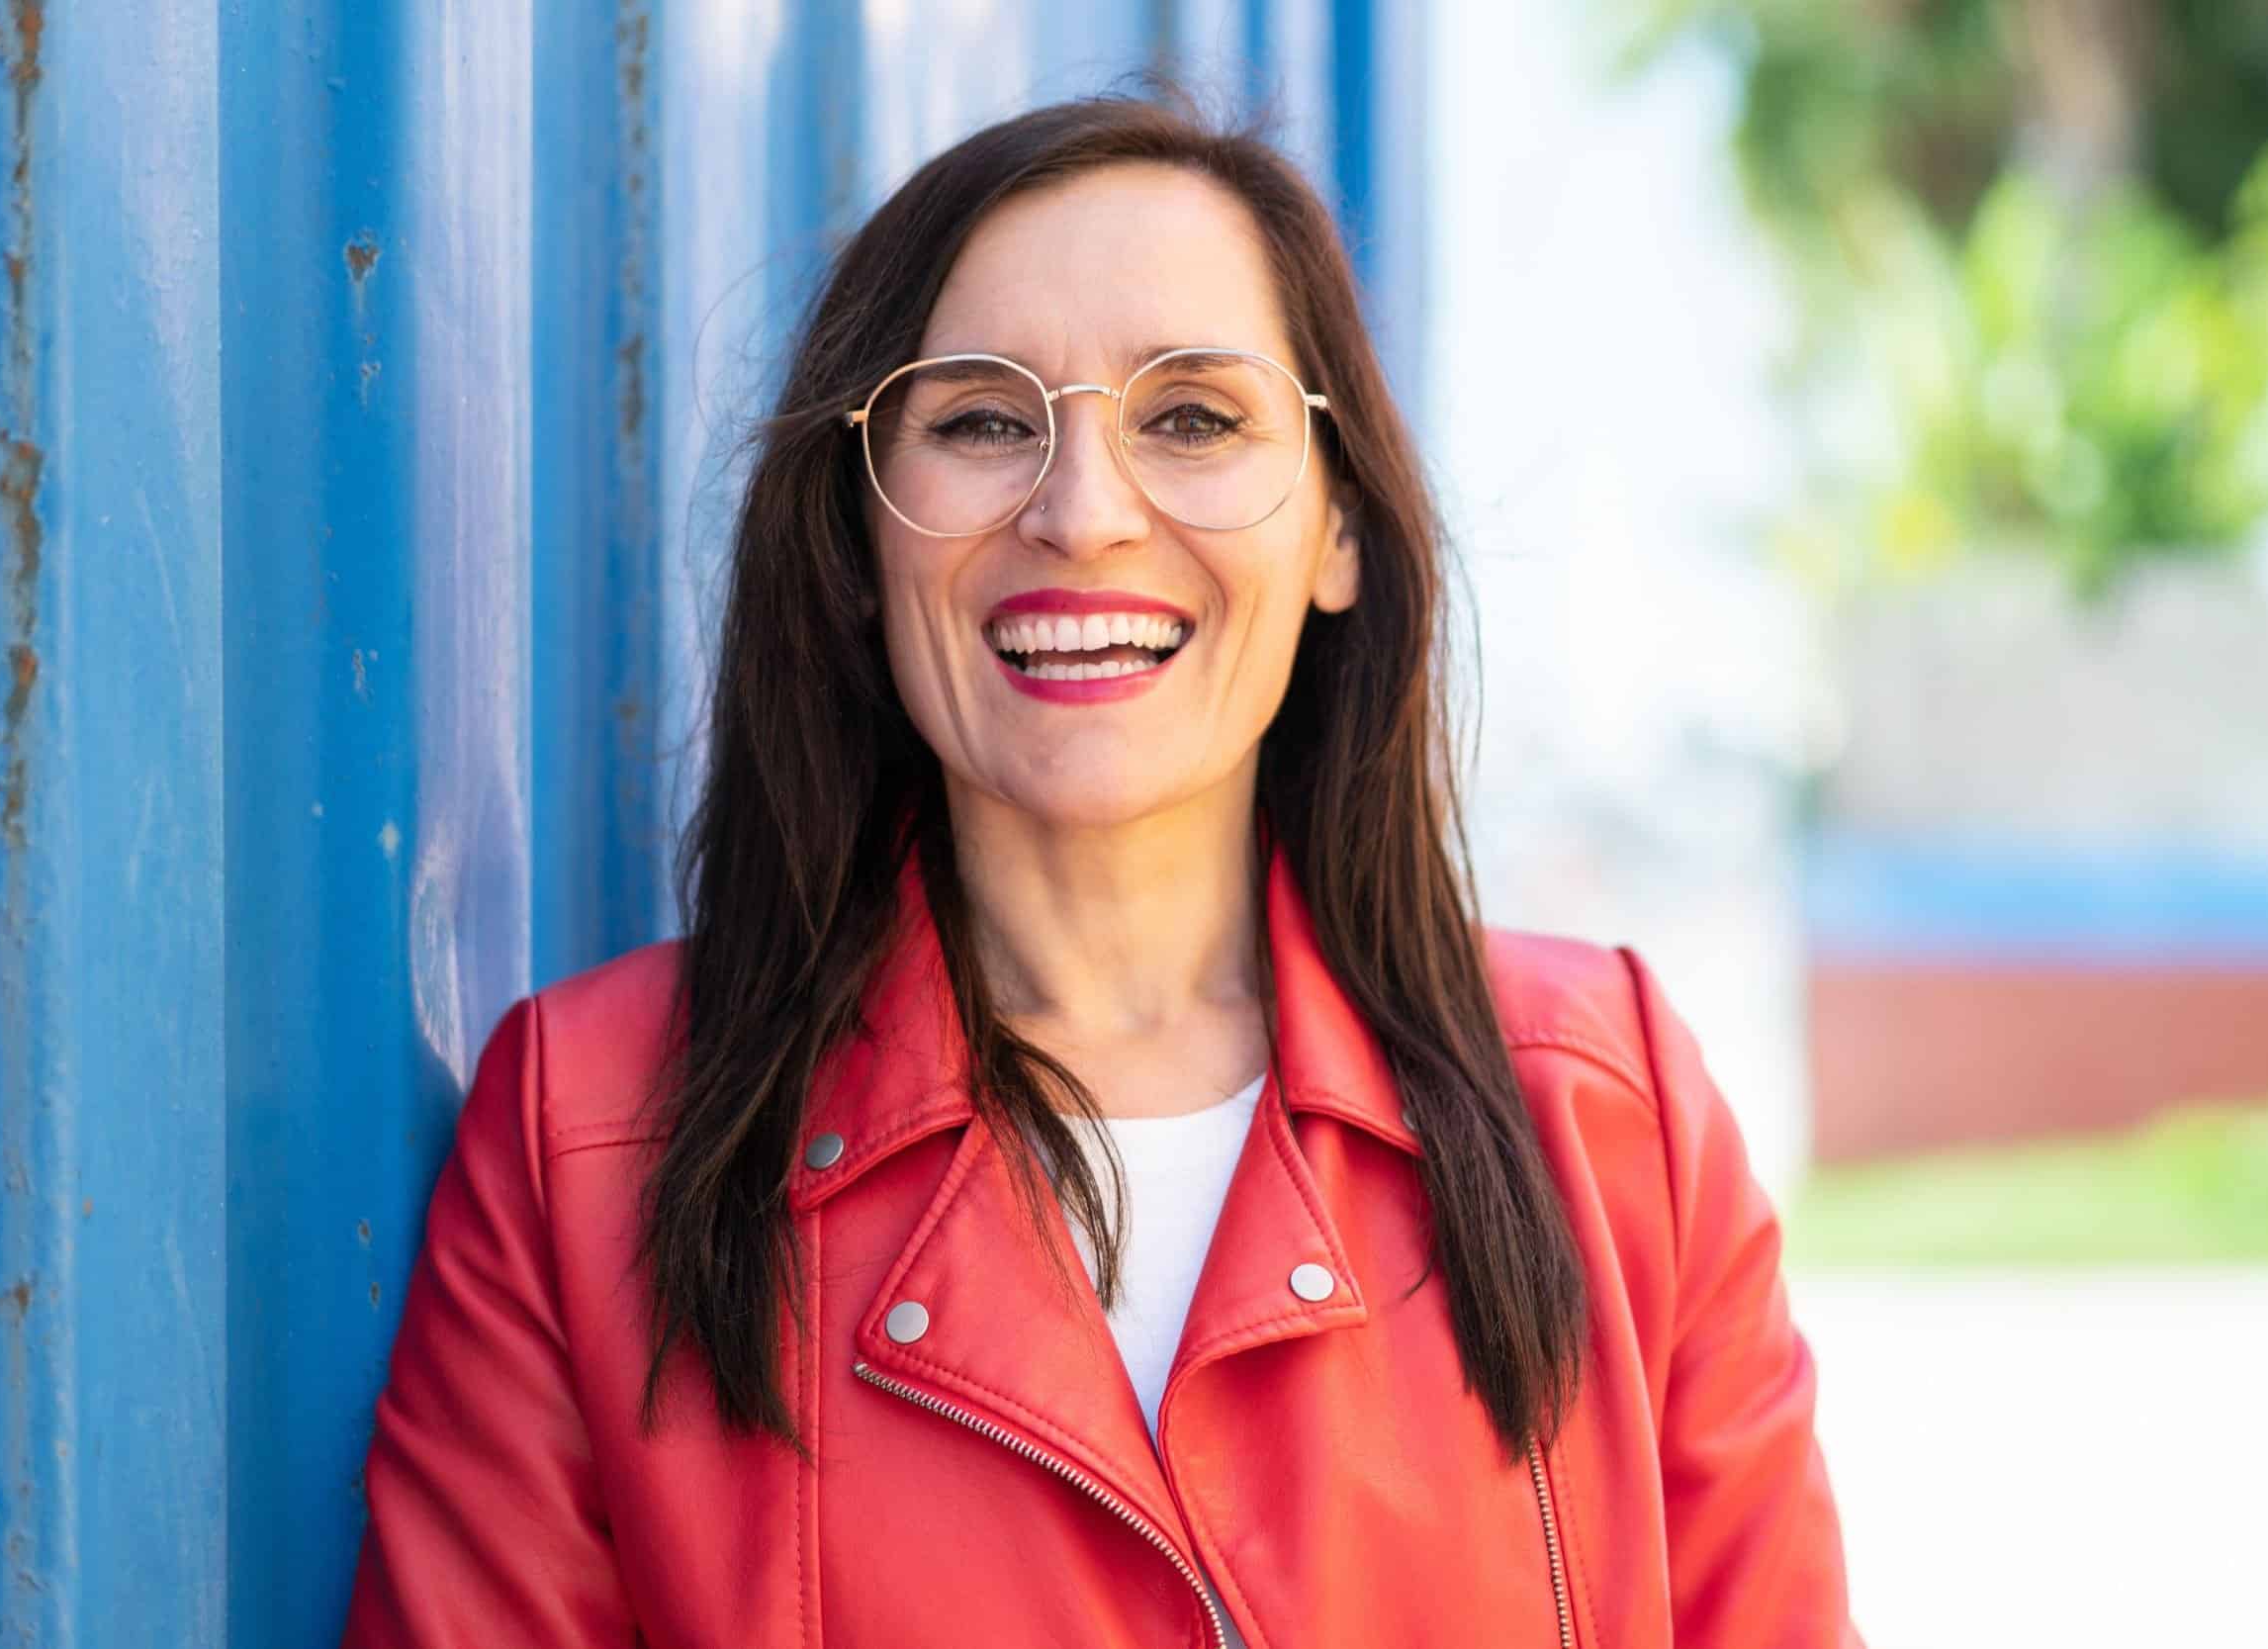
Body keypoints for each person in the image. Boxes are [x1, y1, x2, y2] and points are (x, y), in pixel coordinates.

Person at [340, 92, 1860, 1649]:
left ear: (1339, 521)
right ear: (862, 539)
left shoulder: (1616, 1124)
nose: (1082, 514)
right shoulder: (584, 1143)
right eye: (983, 421)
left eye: (1194, 418)